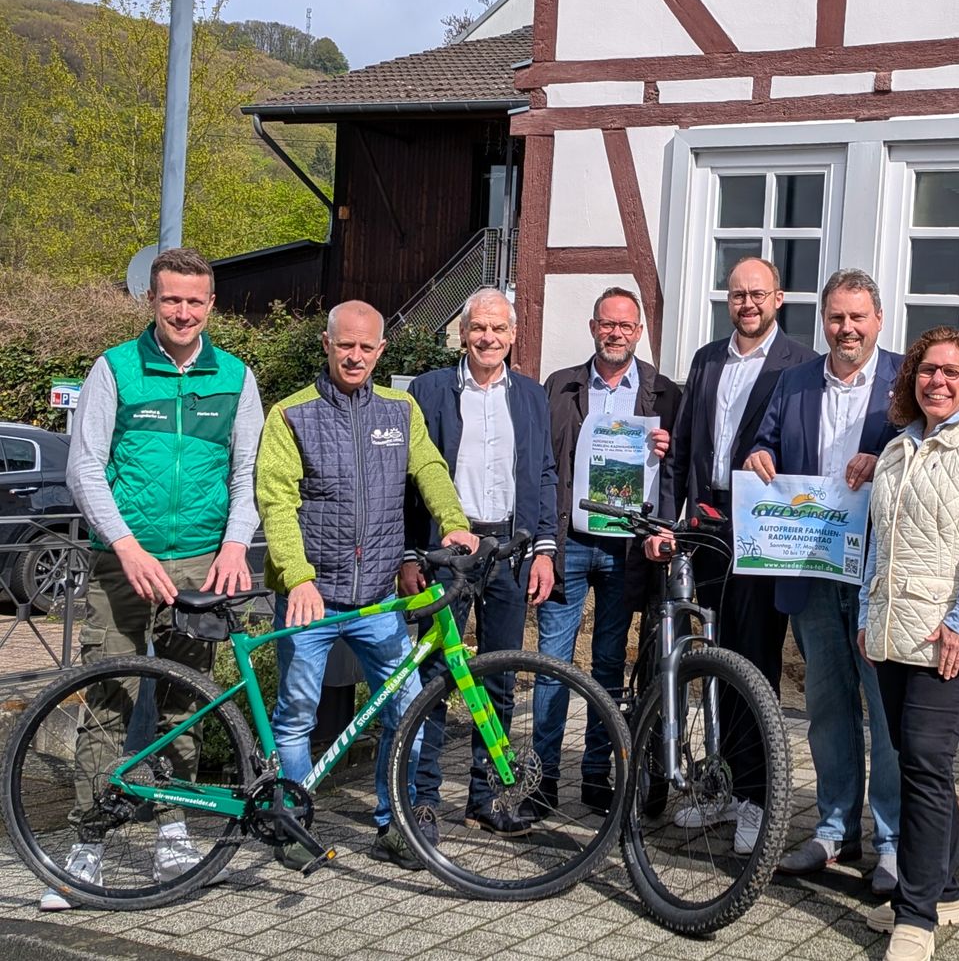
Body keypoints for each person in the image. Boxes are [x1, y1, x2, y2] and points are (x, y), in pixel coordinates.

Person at [48, 248, 263, 911]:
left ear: (212, 305)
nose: (183, 312)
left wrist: (235, 545)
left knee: (185, 705)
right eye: (172, 300)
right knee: (109, 700)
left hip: (202, 560)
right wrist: (127, 547)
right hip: (124, 562)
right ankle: (88, 848)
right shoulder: (115, 369)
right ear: (152, 300)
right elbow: (84, 470)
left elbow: (247, 475)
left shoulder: (236, 376)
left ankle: (174, 832)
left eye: (195, 301)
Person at [257, 300, 476, 870]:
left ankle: (393, 824)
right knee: (297, 713)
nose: (355, 356)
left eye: (366, 347)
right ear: (326, 345)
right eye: (345, 345)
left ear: (382, 351)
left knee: (405, 710)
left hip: (380, 596)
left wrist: (454, 522)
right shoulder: (290, 415)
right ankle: (292, 825)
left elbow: (428, 468)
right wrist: (297, 578)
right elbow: (276, 502)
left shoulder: (399, 411)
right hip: (313, 598)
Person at [858, 327, 959, 961]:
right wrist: (871, 612)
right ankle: (948, 889)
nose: (939, 381)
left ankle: (916, 915)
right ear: (912, 380)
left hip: (950, 635)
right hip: (894, 631)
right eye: (928, 371)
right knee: (916, 761)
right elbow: (882, 538)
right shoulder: (898, 448)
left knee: (925, 761)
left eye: (954, 372)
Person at [742, 268, 903, 889]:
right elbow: (767, 441)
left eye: (857, 317)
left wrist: (883, 456)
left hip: (876, 576)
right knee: (828, 706)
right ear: (824, 322)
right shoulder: (795, 380)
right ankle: (836, 831)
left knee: (885, 713)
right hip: (811, 570)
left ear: (878, 321)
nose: (846, 329)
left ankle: (891, 840)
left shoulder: (904, 381)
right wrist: (761, 455)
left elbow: (924, 447)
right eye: (836, 317)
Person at [658, 256, 814, 853]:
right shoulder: (706, 358)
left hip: (764, 527)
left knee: (755, 663)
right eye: (737, 294)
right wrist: (676, 516)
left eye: (758, 294)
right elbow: (685, 447)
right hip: (706, 525)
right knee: (715, 656)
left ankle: (757, 799)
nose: (747, 303)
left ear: (779, 299)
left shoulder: (800, 363)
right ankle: (722, 784)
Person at [402, 288, 558, 833]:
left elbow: (543, 474)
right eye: (478, 328)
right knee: (433, 676)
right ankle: (420, 799)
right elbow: (409, 476)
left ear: (513, 337)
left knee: (499, 677)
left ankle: (486, 797)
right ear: (462, 333)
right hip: (447, 553)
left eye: (498, 329)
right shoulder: (429, 390)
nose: (488, 338)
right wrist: (409, 553)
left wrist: (543, 549)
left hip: (509, 554)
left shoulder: (532, 396)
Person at [535, 287, 680, 814]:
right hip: (570, 543)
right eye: (606, 323)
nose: (615, 333)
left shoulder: (665, 395)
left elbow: (675, 475)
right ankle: (542, 779)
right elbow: (546, 468)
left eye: (625, 325)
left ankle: (597, 775)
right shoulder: (560, 386)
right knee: (552, 660)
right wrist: (545, 545)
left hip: (629, 551)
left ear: (638, 332)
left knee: (609, 666)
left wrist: (666, 453)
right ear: (593, 327)